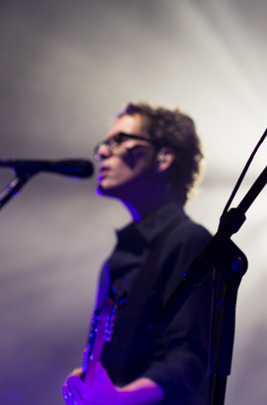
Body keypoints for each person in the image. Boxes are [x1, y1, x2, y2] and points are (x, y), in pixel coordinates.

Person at [63, 102, 214, 405]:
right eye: (104, 143)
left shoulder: (189, 241)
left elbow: (190, 359)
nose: (103, 152)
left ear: (163, 158)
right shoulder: (118, 258)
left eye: (119, 141)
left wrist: (119, 398)